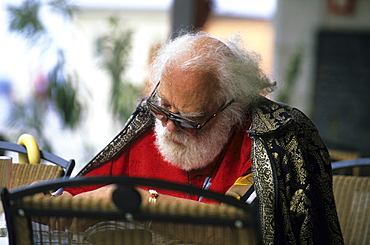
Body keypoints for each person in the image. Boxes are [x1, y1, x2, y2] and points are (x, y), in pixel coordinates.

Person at [62, 32, 344, 244]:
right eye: (163, 107)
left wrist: (139, 202)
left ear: (233, 107)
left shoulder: (278, 138)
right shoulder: (150, 122)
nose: (169, 127)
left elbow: (239, 231)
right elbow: (79, 199)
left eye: (189, 119)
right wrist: (53, 201)